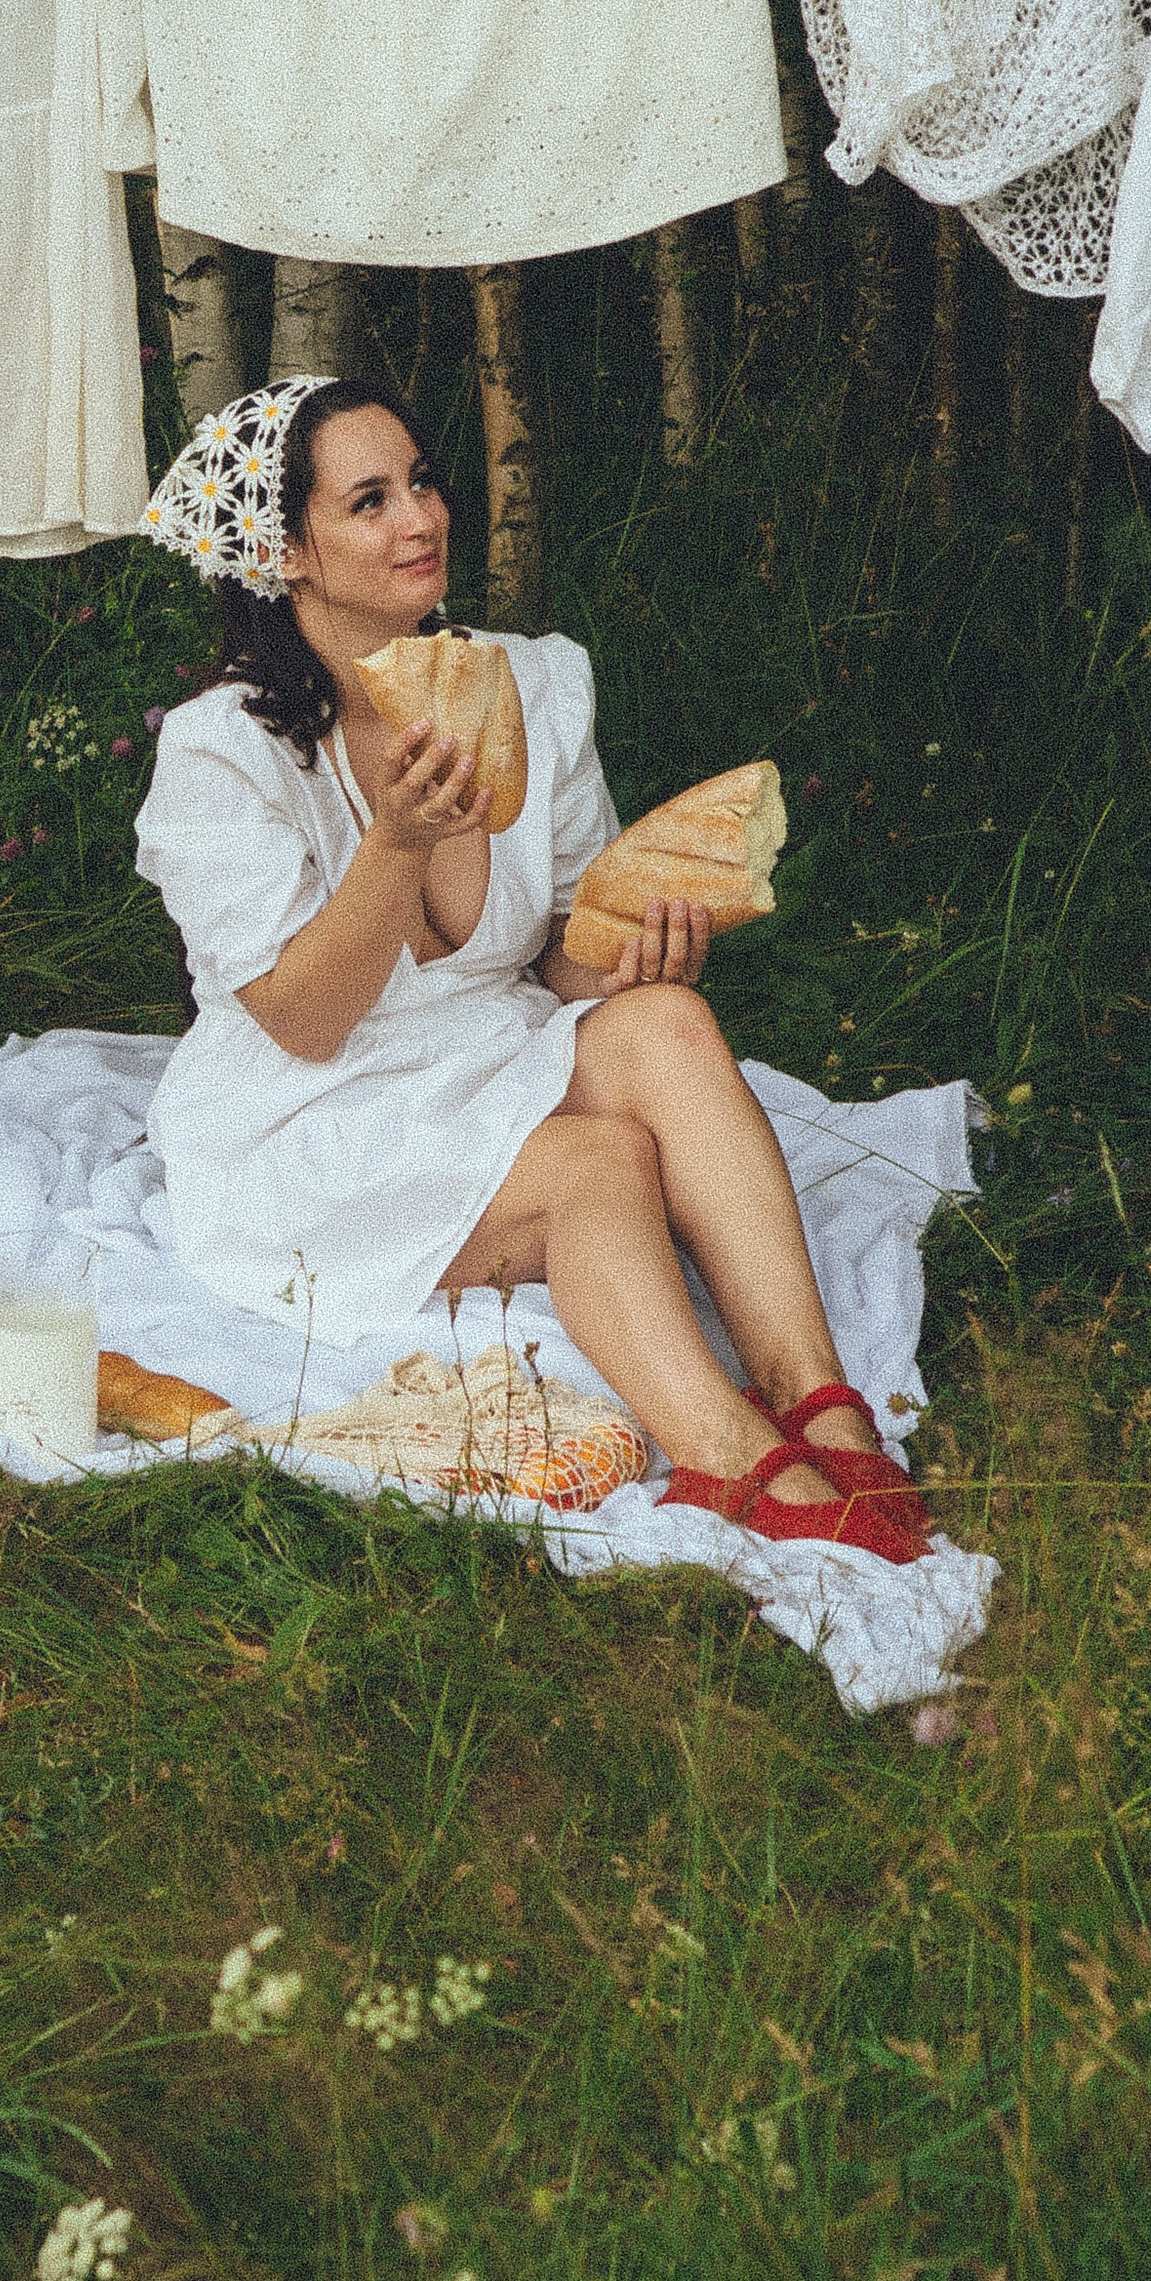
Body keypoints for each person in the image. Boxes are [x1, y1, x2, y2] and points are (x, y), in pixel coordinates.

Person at [132, 373, 933, 1559]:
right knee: (599, 1164)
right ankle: (727, 1456)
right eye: (368, 501)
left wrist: (623, 960)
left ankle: (819, 1402)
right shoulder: (223, 752)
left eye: (422, 482)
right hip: (311, 1113)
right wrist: (395, 843)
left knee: (667, 1022)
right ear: (286, 551)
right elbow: (302, 1021)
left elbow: (552, 953)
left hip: (484, 1050)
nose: (421, 519)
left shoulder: (529, 684)